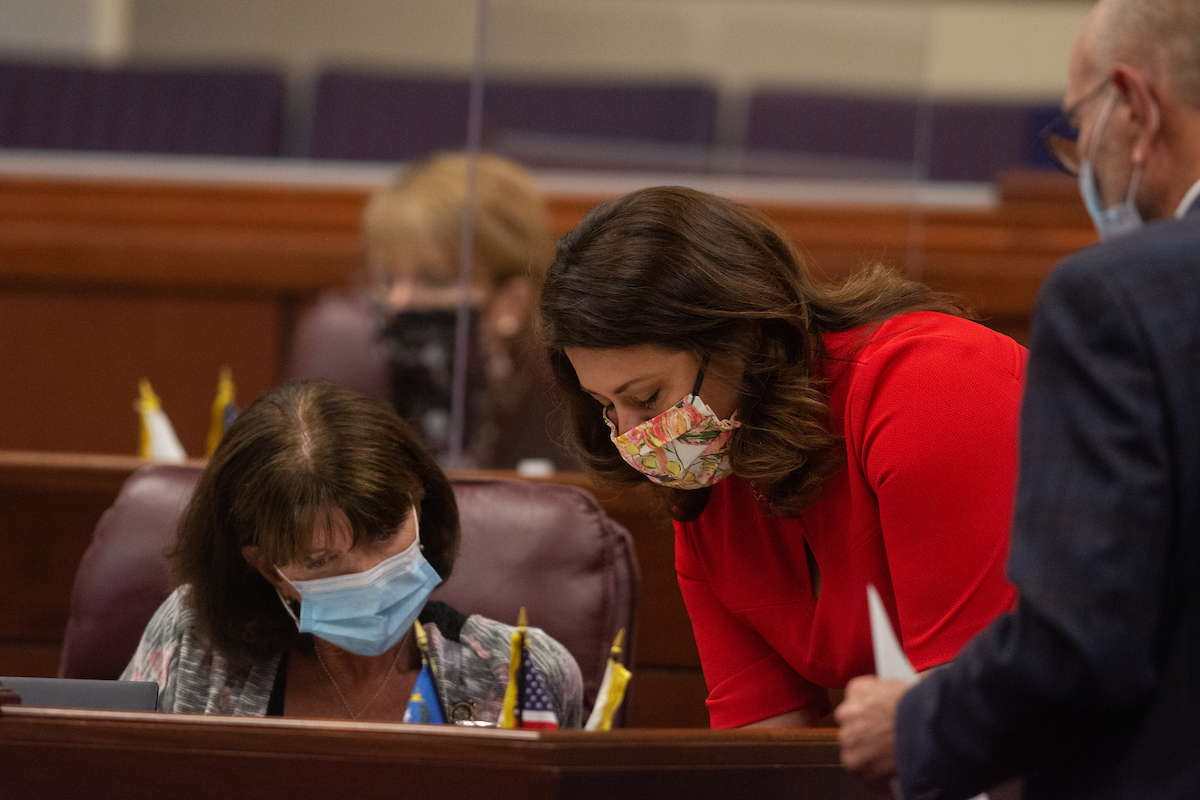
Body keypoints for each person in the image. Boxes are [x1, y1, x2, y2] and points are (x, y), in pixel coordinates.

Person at [836, 0, 1200, 796]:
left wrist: (916, 723)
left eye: (1078, 131)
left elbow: (1081, 642)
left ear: (1135, 106)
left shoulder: (1116, 299)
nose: (1084, 169)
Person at [539, 185, 1027, 728]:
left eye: (647, 398)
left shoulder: (932, 384)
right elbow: (762, 748)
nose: (633, 438)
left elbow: (977, 713)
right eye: (606, 406)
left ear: (742, 335)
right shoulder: (710, 485)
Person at [122, 378, 582, 725]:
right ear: (269, 569)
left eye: (384, 533)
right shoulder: (193, 641)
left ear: (419, 507)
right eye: (321, 561)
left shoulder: (523, 673)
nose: (371, 575)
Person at [287, 151, 568, 470]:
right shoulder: (351, 395)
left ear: (511, 302)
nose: (399, 300)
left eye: (435, 279)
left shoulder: (563, 396)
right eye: (386, 278)